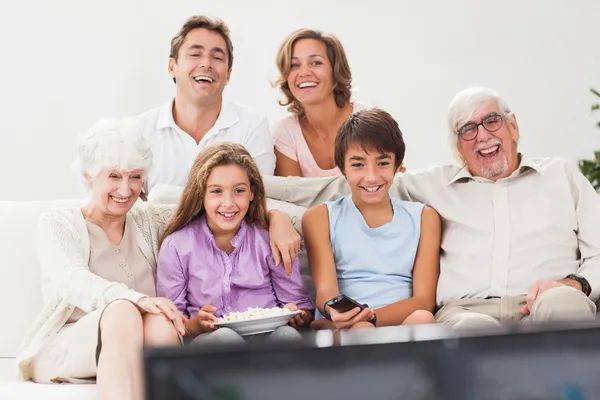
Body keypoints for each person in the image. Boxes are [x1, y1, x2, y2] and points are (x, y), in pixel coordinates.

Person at [265, 87, 600, 329]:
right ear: (456, 146)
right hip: (466, 312)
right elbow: (339, 188)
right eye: (468, 128)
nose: (482, 135)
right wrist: (255, 194)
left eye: (492, 121)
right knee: (471, 331)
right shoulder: (431, 185)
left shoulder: (562, 176)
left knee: (564, 304)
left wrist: (576, 283)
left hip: (545, 301)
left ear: (513, 126)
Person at [16, 119, 186, 400]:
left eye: (135, 176)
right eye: (114, 176)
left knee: (159, 320)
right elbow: (73, 280)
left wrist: (278, 218)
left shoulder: (149, 218)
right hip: (69, 345)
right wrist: (137, 299)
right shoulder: (58, 223)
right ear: (88, 175)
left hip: (137, 337)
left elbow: (211, 196)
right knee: (122, 310)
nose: (126, 189)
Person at [156, 143, 314, 343]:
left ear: (252, 193)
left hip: (268, 338)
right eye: (216, 191)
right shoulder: (177, 246)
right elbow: (172, 320)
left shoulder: (270, 239)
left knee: (288, 336)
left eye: (239, 190)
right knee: (225, 338)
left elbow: (301, 306)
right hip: (213, 342)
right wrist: (194, 325)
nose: (228, 202)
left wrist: (297, 316)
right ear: (200, 193)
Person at [303, 108, 439, 330]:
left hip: (399, 322)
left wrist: (371, 318)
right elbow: (326, 292)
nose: (371, 176)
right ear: (343, 169)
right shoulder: (320, 217)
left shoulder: (424, 218)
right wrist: (339, 313)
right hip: (347, 325)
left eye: (383, 163)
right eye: (358, 164)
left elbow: (424, 301)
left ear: (397, 166)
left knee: (423, 318)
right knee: (362, 330)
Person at [135, 15, 275, 194]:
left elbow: (256, 200)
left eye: (217, 57)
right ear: (172, 67)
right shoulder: (141, 130)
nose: (206, 63)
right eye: (195, 54)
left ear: (228, 74)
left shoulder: (252, 126)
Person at [272, 29, 370, 178]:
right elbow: (291, 196)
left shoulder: (371, 120)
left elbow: (391, 185)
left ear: (335, 70)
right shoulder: (285, 132)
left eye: (316, 62)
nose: (304, 72)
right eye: (294, 65)